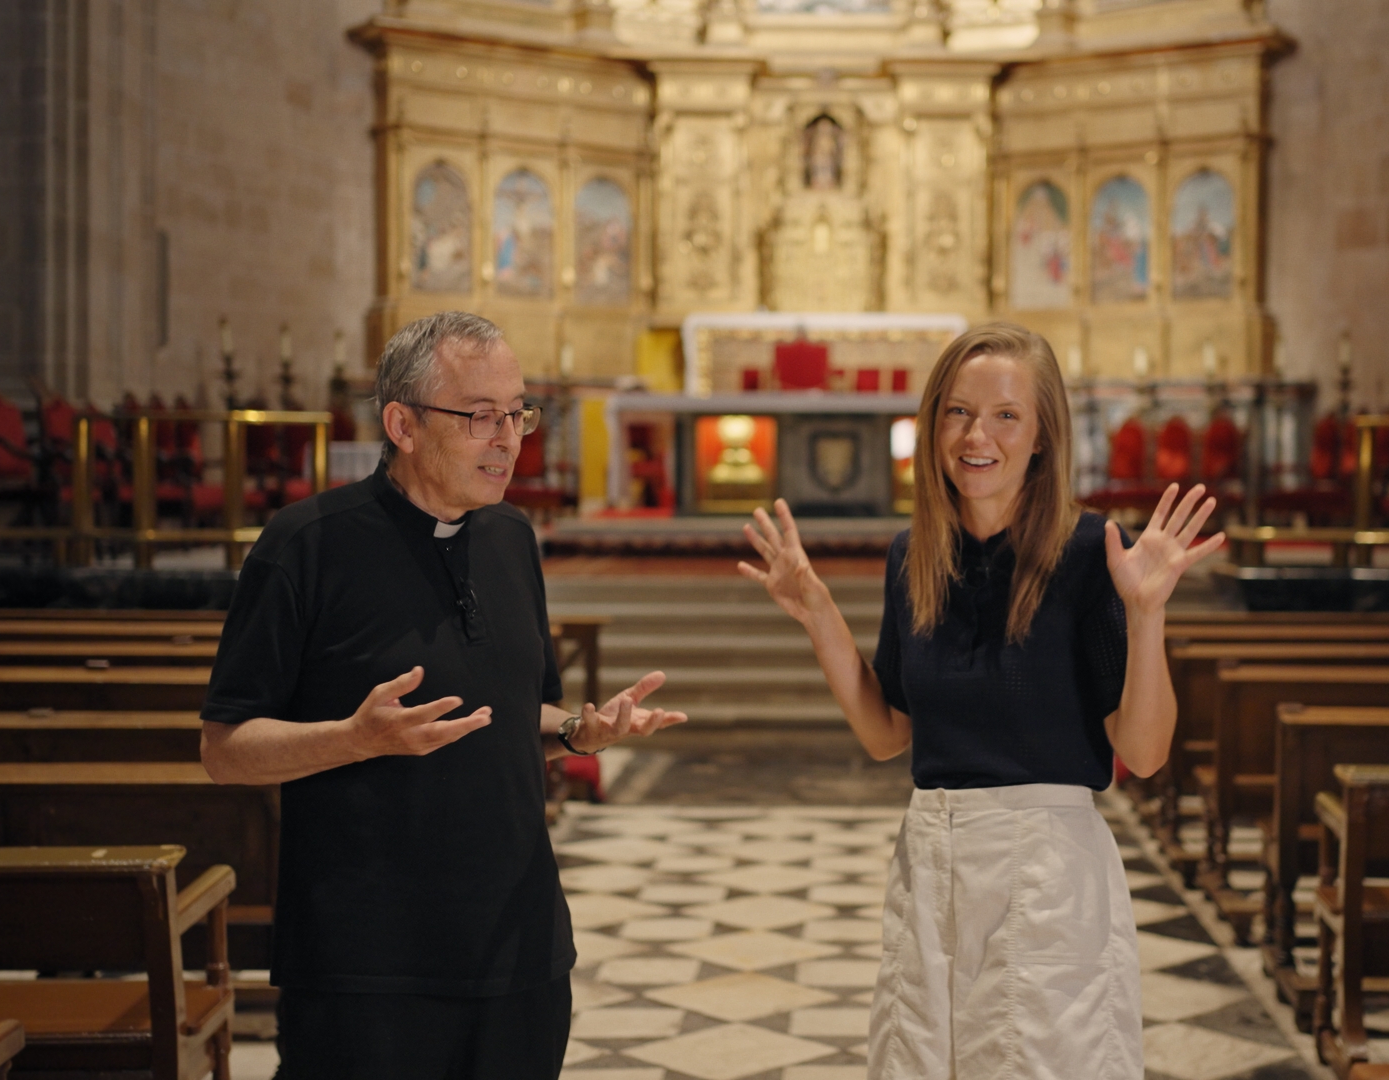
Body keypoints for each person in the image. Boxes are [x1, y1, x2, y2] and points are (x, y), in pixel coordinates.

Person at [200, 311, 686, 1080]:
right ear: (403, 424)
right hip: (366, 963)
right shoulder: (304, 547)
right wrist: (353, 738)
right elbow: (224, 751)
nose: (509, 437)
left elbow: (520, 704)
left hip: (517, 948)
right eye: (480, 416)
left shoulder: (511, 537)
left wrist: (579, 731)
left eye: (518, 413)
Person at [739, 322, 1223, 1079]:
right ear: (934, 424)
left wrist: (1147, 613)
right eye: (958, 411)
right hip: (931, 862)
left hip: (1049, 874)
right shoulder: (916, 553)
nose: (977, 435)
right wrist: (817, 612)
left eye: (1005, 415)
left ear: (1041, 437)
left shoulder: (1095, 554)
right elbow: (886, 734)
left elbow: (1145, 751)